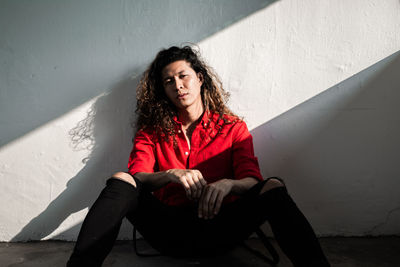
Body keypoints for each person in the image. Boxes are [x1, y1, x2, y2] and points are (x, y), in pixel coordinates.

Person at [67, 46, 330, 266]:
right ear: (163, 90)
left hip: (222, 229)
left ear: (200, 78)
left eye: (184, 76)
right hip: (168, 230)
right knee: (121, 179)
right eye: (169, 81)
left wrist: (229, 184)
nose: (178, 85)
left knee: (273, 186)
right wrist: (170, 174)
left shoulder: (232, 128)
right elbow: (139, 177)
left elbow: (253, 180)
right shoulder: (152, 132)